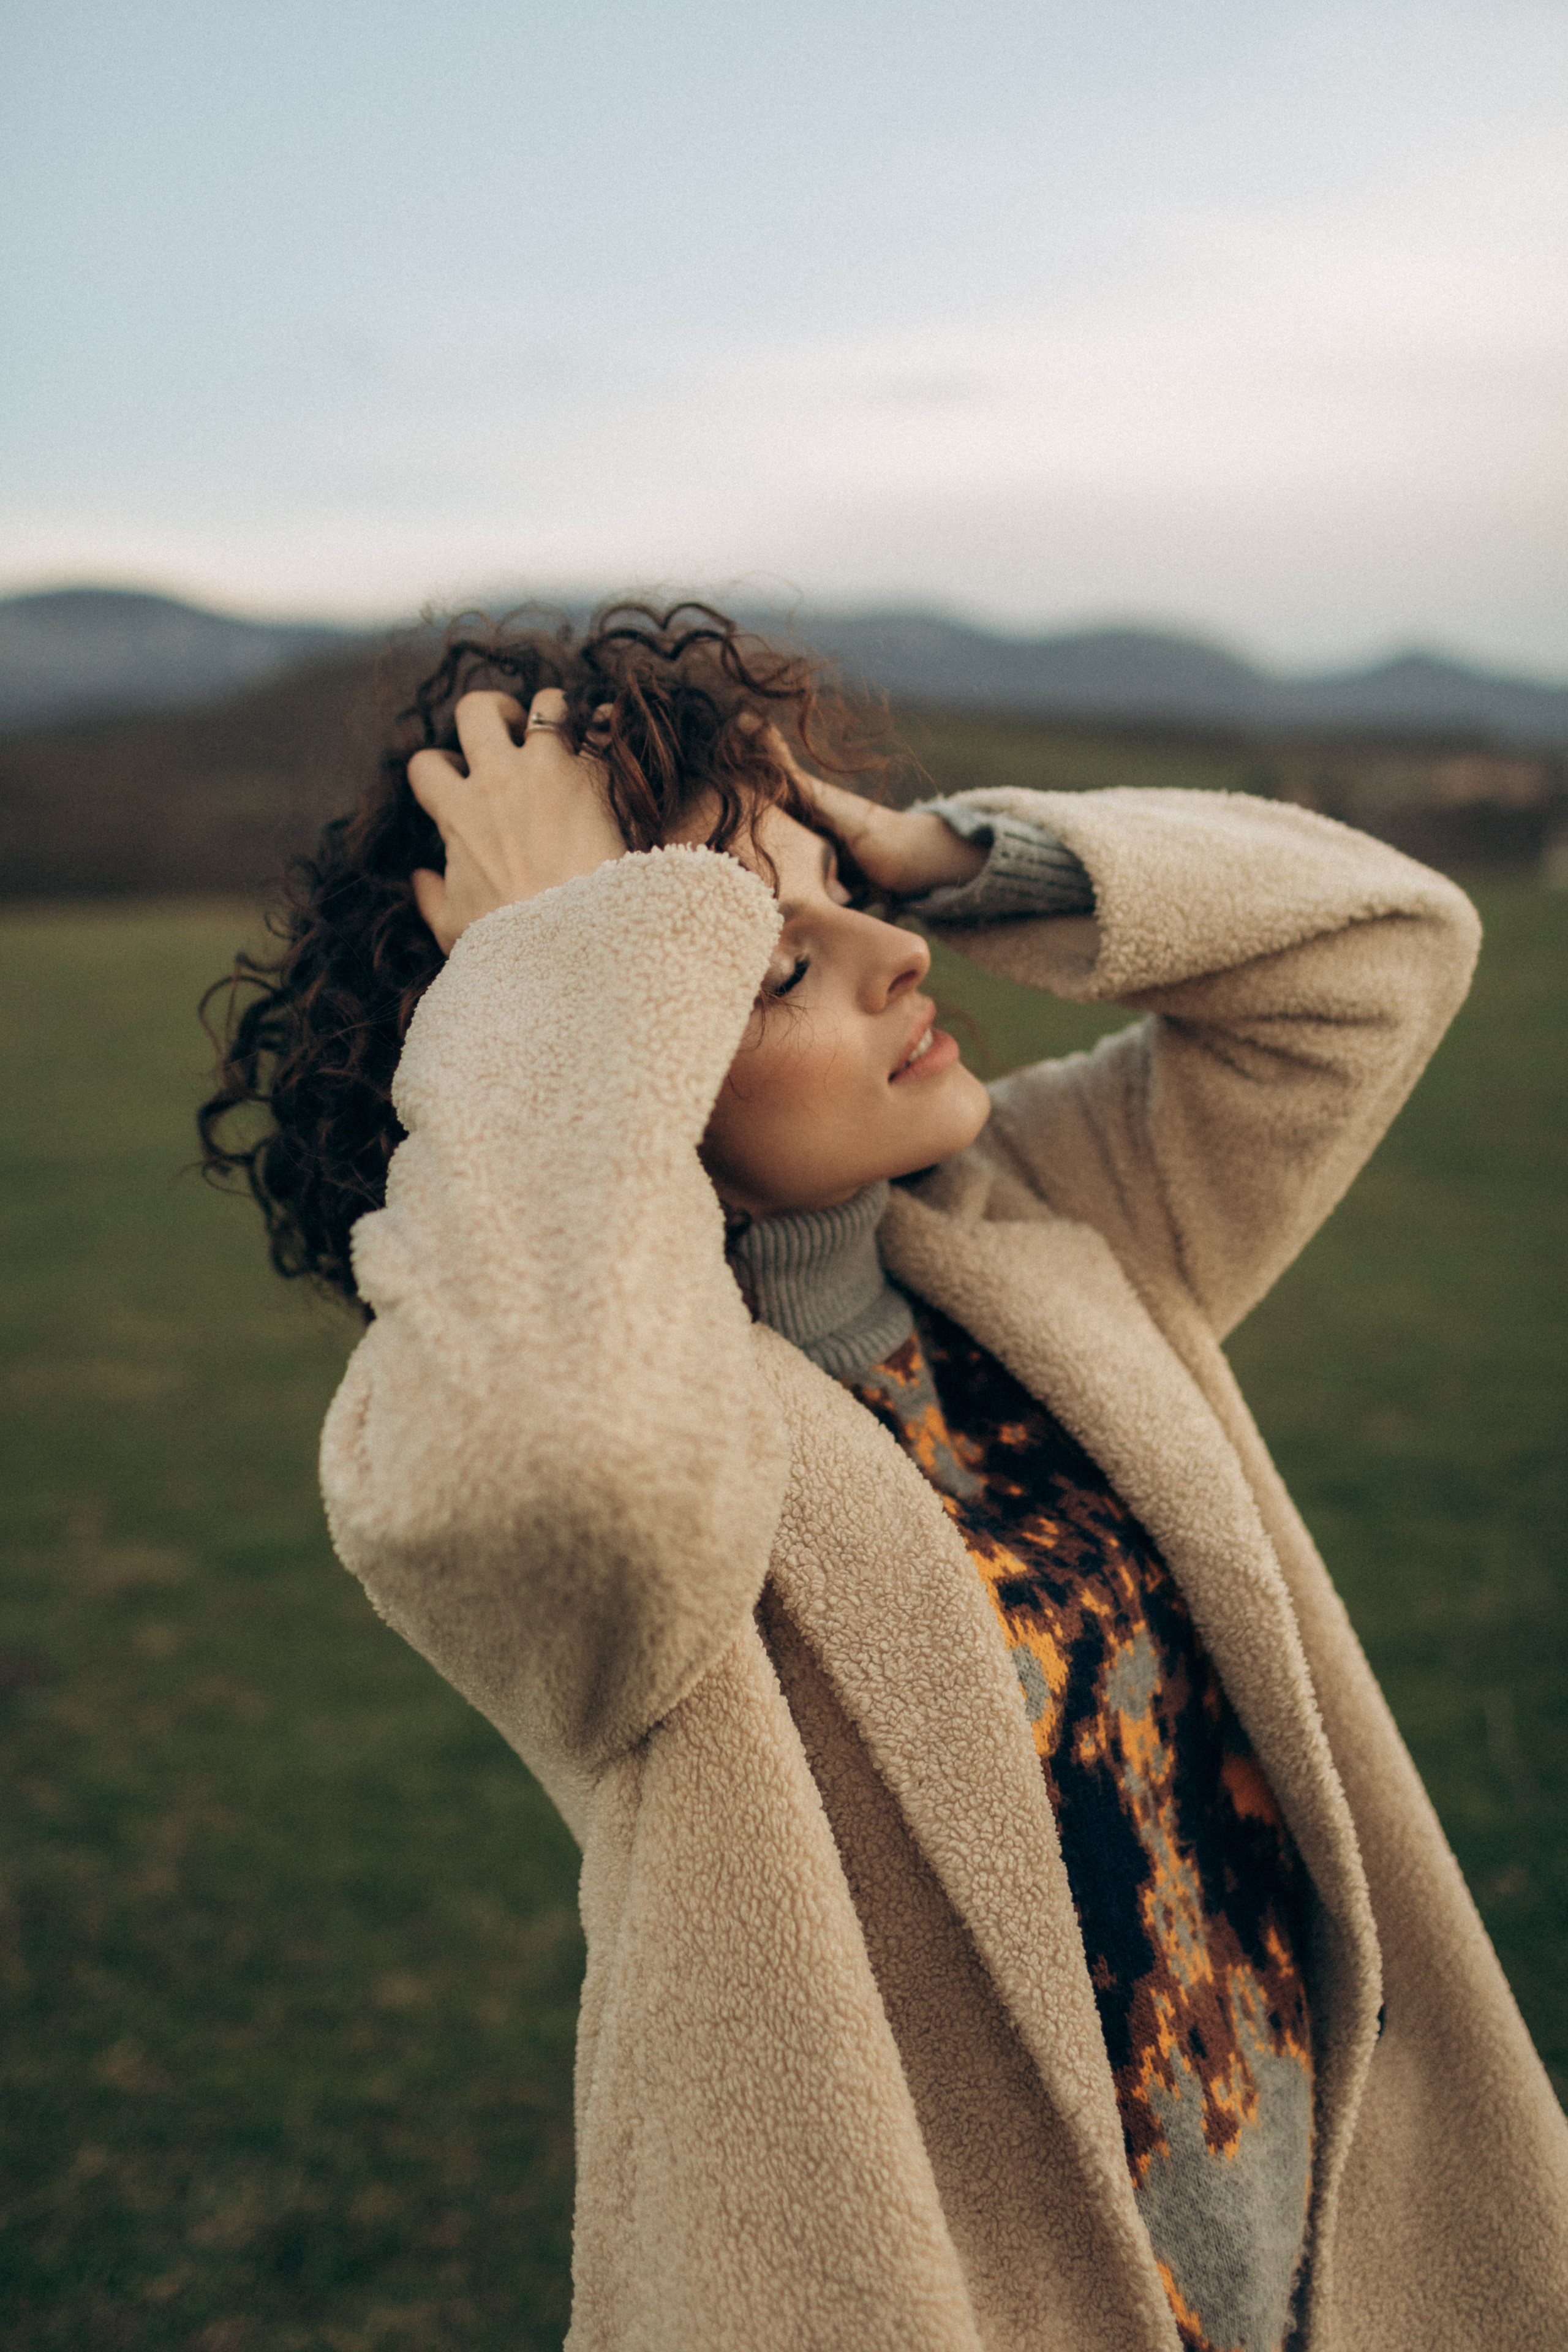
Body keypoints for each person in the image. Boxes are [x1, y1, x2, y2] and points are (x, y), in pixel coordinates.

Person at [201, 603, 1568, 2352]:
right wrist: (559, 961)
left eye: (854, 902)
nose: (897, 959)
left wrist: (934, 853)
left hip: (1344, 2278)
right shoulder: (551, 1410)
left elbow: (1379, 954)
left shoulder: (1054, 1215)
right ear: (605, 1050)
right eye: (762, 966)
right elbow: (582, 1484)